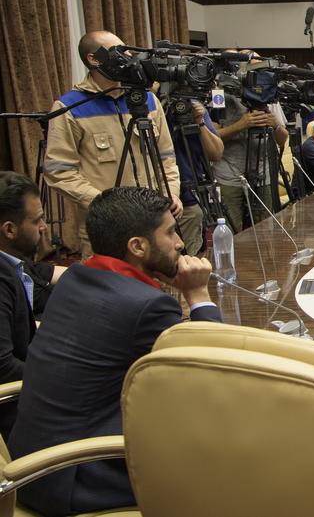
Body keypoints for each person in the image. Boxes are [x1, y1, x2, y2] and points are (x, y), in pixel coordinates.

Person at [10, 186, 223, 516]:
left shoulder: (76, 277)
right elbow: (214, 376)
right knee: (231, 446)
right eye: (169, 233)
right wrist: (198, 295)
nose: (180, 243)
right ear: (137, 246)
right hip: (76, 473)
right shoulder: (146, 306)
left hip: (29, 463)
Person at [44, 30, 183, 255]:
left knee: (156, 287)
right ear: (94, 59)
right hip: (106, 229)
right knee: (107, 286)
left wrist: (172, 192)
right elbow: (59, 171)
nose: (127, 55)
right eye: (118, 51)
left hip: (153, 222)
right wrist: (107, 206)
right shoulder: (69, 107)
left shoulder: (147, 100)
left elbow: (166, 156)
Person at [0, 172, 64, 436]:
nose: (44, 227)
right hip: (17, 421)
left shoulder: (15, 265)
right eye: (37, 220)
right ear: (9, 229)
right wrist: (63, 379)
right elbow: (3, 368)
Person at [211, 51, 288, 232]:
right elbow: (212, 137)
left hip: (263, 175)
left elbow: (282, 139)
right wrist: (241, 125)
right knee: (232, 231)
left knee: (266, 228)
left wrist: (275, 125)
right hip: (230, 175)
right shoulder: (219, 94)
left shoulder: (268, 93)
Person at [163, 96, 224, 253]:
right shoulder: (153, 104)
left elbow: (216, 153)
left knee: (189, 257)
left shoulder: (192, 106)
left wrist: (200, 121)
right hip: (156, 201)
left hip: (189, 200)